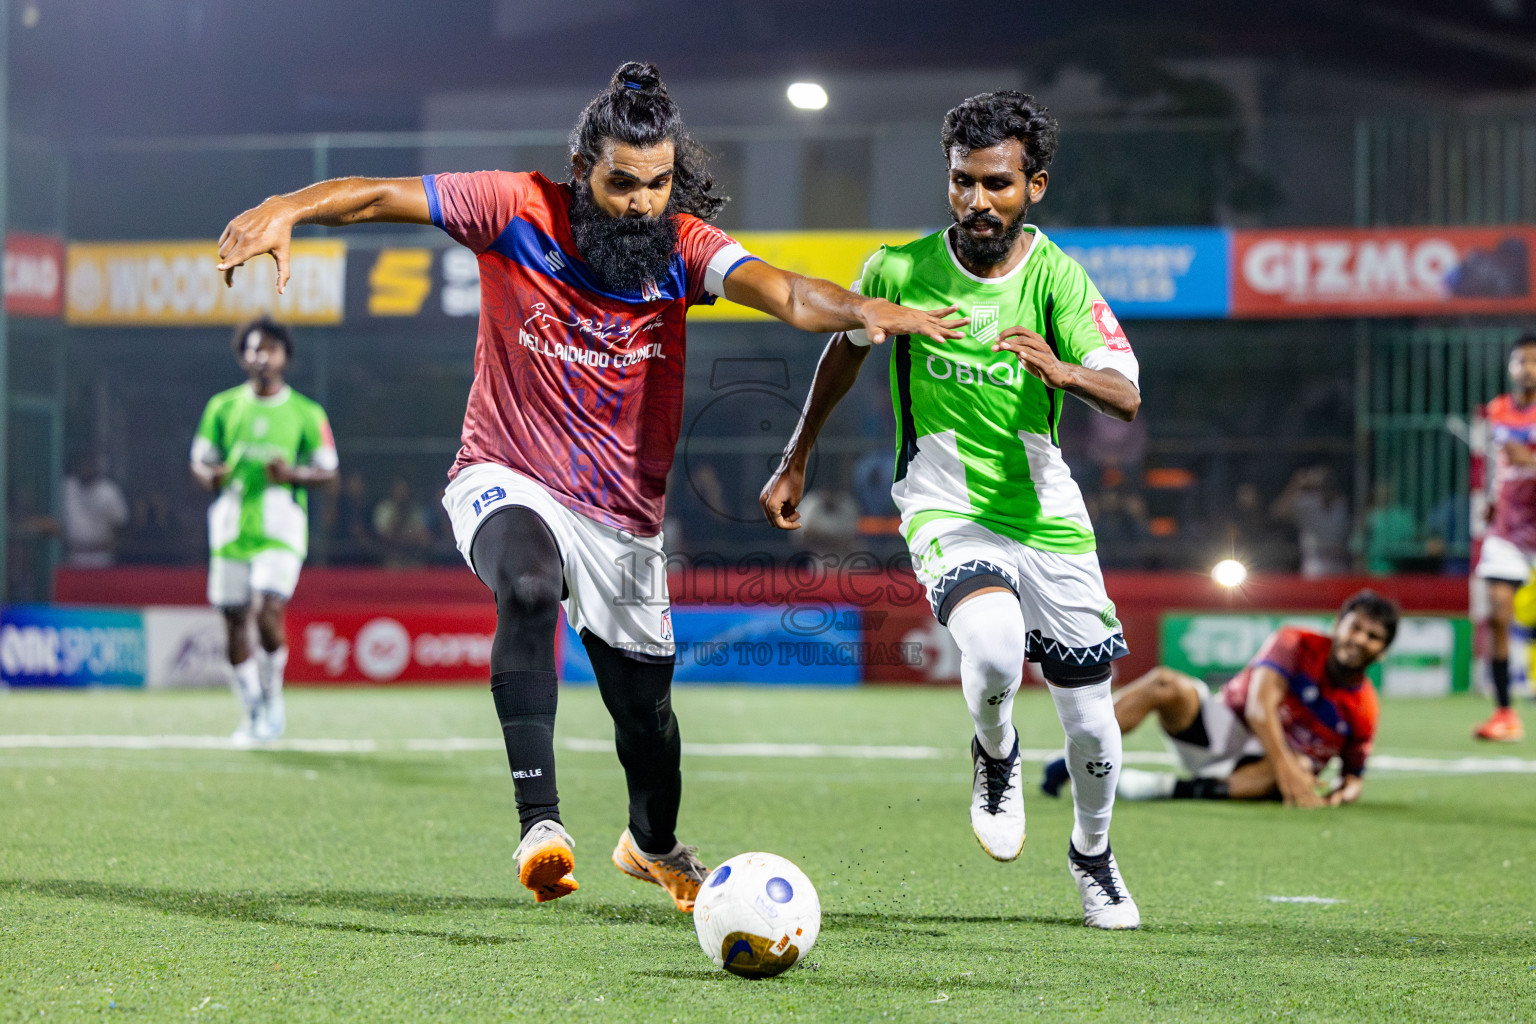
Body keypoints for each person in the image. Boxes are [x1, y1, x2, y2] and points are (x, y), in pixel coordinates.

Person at [215, 62, 965, 911]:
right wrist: (288, 209)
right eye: (622, 184)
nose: (643, 202)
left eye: (658, 183)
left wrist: (858, 309)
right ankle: (541, 824)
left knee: (647, 722)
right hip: (504, 473)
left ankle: (651, 844)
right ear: (583, 172)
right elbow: (378, 197)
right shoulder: (512, 207)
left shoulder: (683, 249)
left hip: (622, 521)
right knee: (530, 586)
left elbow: (785, 291)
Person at [761, 91, 1144, 929]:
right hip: (944, 506)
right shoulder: (897, 269)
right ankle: (995, 756)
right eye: (963, 182)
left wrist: (1066, 371)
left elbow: (1125, 394)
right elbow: (842, 354)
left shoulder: (1059, 281)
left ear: (1033, 186)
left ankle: (1092, 855)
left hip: (1046, 512)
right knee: (998, 650)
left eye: (997, 184)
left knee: (1089, 720)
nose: (977, 201)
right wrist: (796, 458)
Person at [1047, 590, 1399, 806]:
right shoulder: (1295, 643)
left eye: (1373, 636)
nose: (1359, 639)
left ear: (1382, 651)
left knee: (1302, 766)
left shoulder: (1364, 710)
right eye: (1356, 627)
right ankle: (1070, 761)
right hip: (1223, 728)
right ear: (1339, 624)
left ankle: (1165, 788)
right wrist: (1287, 766)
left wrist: (1342, 794)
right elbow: (1260, 710)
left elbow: (1354, 776)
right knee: (1164, 683)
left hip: (1253, 775)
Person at [190, 316, 338, 743]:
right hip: (231, 524)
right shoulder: (223, 407)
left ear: (285, 357)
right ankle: (251, 707)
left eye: (270, 349)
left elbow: (329, 476)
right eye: (254, 349)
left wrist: (291, 472)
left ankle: (273, 698)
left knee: (268, 610)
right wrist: (210, 476)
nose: (262, 356)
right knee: (234, 619)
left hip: (281, 525)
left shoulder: (306, 413)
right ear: (243, 356)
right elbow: (200, 461)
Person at [1472, 333, 1536, 742]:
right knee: (1498, 611)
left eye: (1532, 361)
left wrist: (1529, 459)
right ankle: (1504, 713)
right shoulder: (1496, 411)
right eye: (1520, 361)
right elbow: (1497, 465)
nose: (1526, 368)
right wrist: (1493, 499)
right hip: (1508, 529)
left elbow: (1523, 460)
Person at [1272, 465, 1351, 578]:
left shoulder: (1341, 504)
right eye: (1322, 483)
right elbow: (1278, 513)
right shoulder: (1308, 504)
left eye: (1328, 481)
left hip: (1340, 565)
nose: (1325, 486)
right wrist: (1296, 485)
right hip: (1314, 564)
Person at [61, 453, 129, 568]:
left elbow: (121, 522)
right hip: (72, 558)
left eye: (89, 465)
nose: (86, 468)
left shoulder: (109, 491)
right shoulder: (67, 487)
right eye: (83, 464)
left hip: (101, 558)